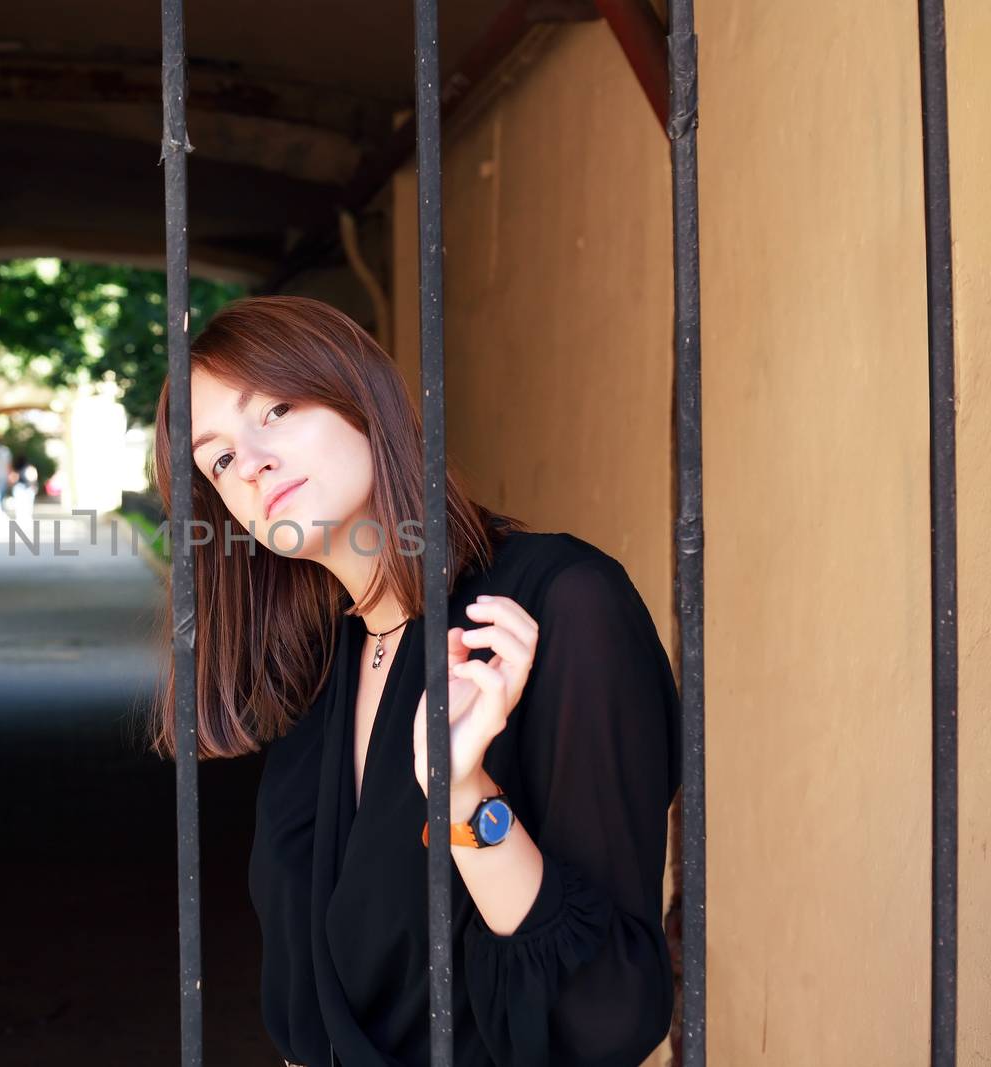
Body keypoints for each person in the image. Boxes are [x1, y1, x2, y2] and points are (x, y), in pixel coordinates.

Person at [148, 295, 680, 1067]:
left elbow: (607, 1013)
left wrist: (462, 794)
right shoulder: (322, 665)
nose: (252, 460)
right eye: (219, 458)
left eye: (277, 408)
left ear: (359, 395)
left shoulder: (561, 604)